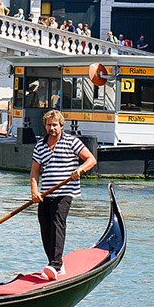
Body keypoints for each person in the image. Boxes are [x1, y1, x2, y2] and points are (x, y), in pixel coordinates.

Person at [30, 109, 97, 281]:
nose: (51, 128)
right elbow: (34, 173)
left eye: (54, 125)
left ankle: (55, 265)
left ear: (61, 125)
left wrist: (79, 170)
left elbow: (91, 159)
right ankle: (55, 263)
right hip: (46, 193)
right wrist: (35, 192)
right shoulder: (40, 145)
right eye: (48, 125)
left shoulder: (71, 142)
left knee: (57, 223)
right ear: (45, 126)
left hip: (65, 192)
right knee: (44, 226)